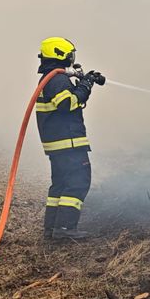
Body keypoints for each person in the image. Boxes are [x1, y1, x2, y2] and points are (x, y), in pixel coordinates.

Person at [35, 37, 103, 240]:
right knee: (78, 182)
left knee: (60, 185)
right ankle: (65, 229)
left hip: (58, 144)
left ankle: (52, 229)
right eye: (70, 54)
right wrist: (85, 86)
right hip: (69, 143)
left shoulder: (51, 78)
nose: (72, 58)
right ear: (60, 54)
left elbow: (65, 101)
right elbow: (67, 104)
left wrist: (82, 83)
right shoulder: (57, 79)